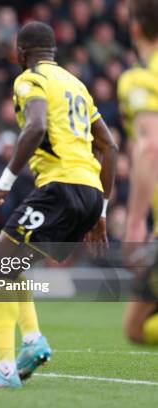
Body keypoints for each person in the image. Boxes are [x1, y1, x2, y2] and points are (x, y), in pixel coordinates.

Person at [0, 22, 117, 388]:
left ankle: (4, 368)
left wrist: (2, 186)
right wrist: (102, 213)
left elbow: (35, 127)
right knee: (11, 263)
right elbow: (109, 146)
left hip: (59, 187)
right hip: (90, 192)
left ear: (21, 52)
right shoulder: (77, 84)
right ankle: (32, 342)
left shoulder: (30, 79)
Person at [117, 0, 158, 345]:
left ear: (135, 29)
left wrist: (134, 223)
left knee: (136, 327)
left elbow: (149, 146)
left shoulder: (140, 78)